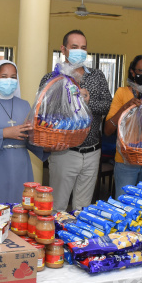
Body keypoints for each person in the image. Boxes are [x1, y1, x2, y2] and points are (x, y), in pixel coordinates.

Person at [38, 30, 112, 210]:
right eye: (74, 47)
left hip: (93, 151)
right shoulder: (52, 78)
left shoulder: (96, 76)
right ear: (63, 49)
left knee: (83, 208)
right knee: (58, 206)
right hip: (65, 152)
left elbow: (107, 106)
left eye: (83, 48)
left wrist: (88, 102)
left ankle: (78, 238)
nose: (80, 51)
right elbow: (43, 113)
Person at [0, 60, 48, 203]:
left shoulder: (24, 105)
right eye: (4, 76)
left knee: (21, 206)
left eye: (13, 77)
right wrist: (4, 133)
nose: (8, 80)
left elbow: (30, 138)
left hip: (22, 164)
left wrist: (49, 144)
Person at [103, 54, 142, 198]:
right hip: (126, 160)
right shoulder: (122, 93)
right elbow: (107, 130)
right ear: (132, 72)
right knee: (125, 202)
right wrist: (126, 107)